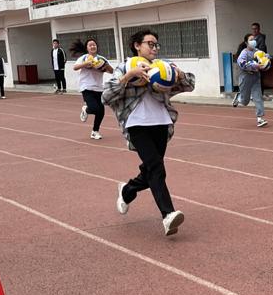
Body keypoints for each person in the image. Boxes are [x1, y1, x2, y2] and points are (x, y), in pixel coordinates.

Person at [102, 28, 194, 236]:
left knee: (151, 170)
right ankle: (168, 215)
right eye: (150, 44)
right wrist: (128, 76)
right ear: (137, 46)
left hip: (161, 123)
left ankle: (127, 190)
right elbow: (106, 96)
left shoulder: (163, 67)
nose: (154, 48)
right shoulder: (124, 67)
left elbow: (190, 85)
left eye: (156, 45)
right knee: (156, 168)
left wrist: (180, 75)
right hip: (136, 124)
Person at [71, 37, 112, 140]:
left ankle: (95, 131)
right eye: (90, 45)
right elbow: (75, 67)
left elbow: (111, 71)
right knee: (94, 108)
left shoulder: (101, 59)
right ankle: (86, 109)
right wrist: (85, 64)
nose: (93, 46)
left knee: (101, 112)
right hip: (86, 87)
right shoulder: (84, 58)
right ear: (87, 48)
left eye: (94, 44)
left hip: (99, 88)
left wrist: (105, 66)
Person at [235, 33, 269, 127]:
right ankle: (239, 97)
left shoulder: (257, 51)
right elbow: (241, 64)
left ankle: (260, 118)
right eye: (251, 40)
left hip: (255, 77)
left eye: (254, 39)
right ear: (246, 42)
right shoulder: (244, 53)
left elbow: (264, 56)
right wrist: (254, 65)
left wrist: (267, 59)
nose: (253, 41)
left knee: (258, 98)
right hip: (245, 78)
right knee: (245, 102)